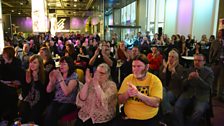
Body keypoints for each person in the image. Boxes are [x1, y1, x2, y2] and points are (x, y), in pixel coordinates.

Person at [118, 54, 163, 126]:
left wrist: (138, 94)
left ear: (147, 67)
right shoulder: (129, 78)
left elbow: (156, 103)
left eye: (139, 66)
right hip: (129, 118)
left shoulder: (155, 80)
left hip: (148, 119)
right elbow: (119, 101)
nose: (135, 69)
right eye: (133, 66)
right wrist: (127, 94)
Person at [173, 54, 214, 126]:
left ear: (204, 62)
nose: (196, 62)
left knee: (198, 111)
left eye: (199, 61)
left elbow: (208, 87)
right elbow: (183, 84)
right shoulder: (189, 70)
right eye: (195, 60)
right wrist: (188, 79)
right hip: (188, 93)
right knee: (177, 107)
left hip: (202, 96)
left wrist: (198, 79)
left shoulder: (209, 72)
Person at [45, 56, 79, 126]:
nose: (61, 66)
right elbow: (48, 90)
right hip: (57, 100)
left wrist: (60, 77)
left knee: (55, 114)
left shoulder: (74, 76)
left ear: (69, 65)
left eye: (64, 64)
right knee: (48, 112)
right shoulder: (59, 74)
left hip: (69, 102)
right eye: (60, 64)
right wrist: (51, 81)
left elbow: (66, 92)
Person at [0, 46, 25, 125]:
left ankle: (10, 116)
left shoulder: (16, 62)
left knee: (9, 93)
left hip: (15, 85)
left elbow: (18, 77)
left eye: (4, 53)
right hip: (5, 84)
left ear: (8, 54)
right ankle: (4, 116)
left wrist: (11, 83)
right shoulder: (2, 62)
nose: (2, 54)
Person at [19, 54, 47, 125]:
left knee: (35, 114)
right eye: (30, 62)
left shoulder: (45, 74)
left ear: (39, 64)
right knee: (23, 111)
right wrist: (27, 82)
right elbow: (25, 92)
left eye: (35, 63)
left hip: (40, 99)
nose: (32, 64)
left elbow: (44, 92)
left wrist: (36, 80)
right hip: (29, 97)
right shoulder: (26, 73)